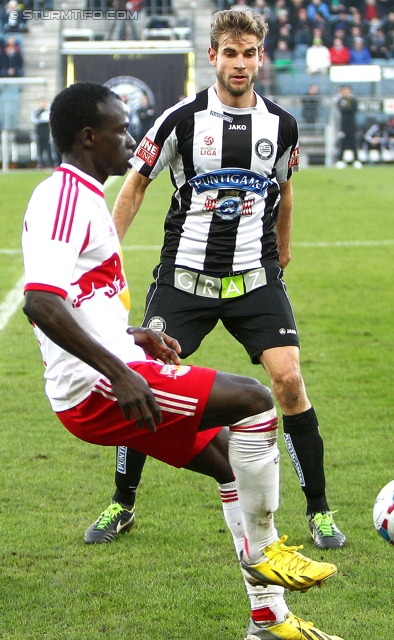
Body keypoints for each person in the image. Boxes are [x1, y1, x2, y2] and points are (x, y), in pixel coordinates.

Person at [22, 81, 345, 640]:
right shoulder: (63, 197)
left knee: (227, 463)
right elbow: (41, 302)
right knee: (254, 400)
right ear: (88, 136)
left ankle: (268, 621)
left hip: (112, 372)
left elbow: (80, 298)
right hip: (93, 390)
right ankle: (267, 551)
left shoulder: (84, 195)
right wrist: (121, 371)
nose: (130, 138)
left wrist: (134, 338)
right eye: (120, 129)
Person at [85, 9, 347, 555]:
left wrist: (286, 250)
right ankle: (122, 501)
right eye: (230, 53)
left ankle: (320, 512)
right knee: (141, 384)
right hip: (184, 281)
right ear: (213, 56)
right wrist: (106, 256)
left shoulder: (282, 125)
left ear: (259, 58)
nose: (240, 63)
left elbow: (286, 191)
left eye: (249, 53)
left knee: (290, 383)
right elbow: (134, 188)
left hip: (255, 280)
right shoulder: (180, 119)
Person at [335, 84, 361, 167]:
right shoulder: (340, 100)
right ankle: (340, 160)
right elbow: (340, 109)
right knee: (342, 143)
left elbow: (353, 109)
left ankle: (356, 160)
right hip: (343, 125)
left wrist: (346, 108)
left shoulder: (353, 100)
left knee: (353, 142)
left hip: (352, 125)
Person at [31, 97, 53, 169]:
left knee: (48, 148)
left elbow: (48, 119)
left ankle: (50, 164)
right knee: (40, 149)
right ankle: (40, 164)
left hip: (46, 132)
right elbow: (34, 120)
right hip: (39, 132)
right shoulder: (36, 112)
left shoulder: (48, 111)